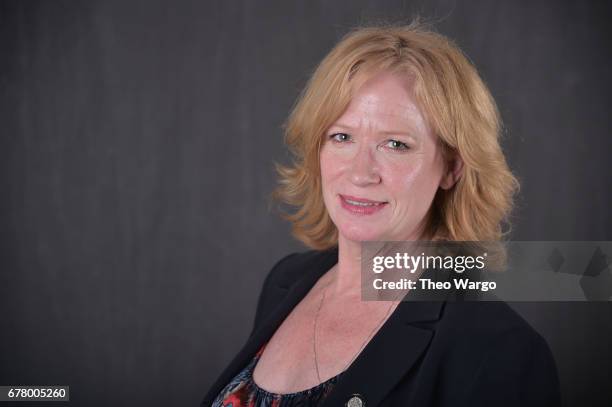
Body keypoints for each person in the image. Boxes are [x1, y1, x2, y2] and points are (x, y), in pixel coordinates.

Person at [202, 22, 561, 407]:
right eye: (341, 137)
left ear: (452, 167)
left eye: (395, 144)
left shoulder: (499, 350)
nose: (360, 173)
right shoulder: (287, 281)